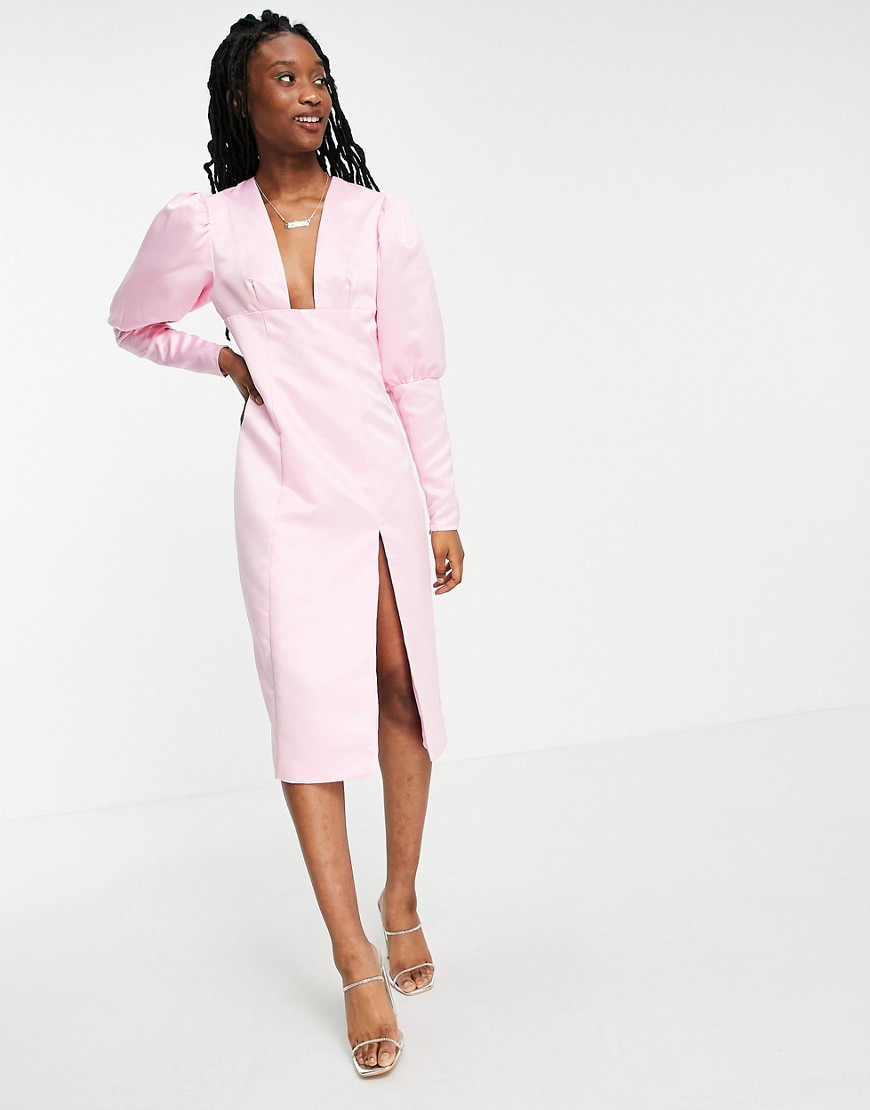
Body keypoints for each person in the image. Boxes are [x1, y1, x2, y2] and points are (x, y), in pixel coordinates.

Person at [106, 10, 464, 1080]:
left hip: (381, 480)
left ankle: (400, 896)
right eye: (286, 77)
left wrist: (441, 508)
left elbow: (415, 373)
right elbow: (132, 321)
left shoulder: (381, 219)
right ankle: (353, 956)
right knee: (308, 714)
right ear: (242, 98)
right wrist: (222, 360)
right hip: (282, 490)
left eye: (320, 77)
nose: (311, 94)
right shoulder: (204, 224)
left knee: (401, 688)